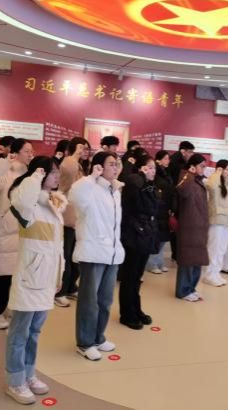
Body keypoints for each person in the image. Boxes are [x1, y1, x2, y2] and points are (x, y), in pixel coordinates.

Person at [5, 156, 66, 405]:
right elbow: (22, 203)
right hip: (30, 277)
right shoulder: (25, 200)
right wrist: (35, 177)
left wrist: (59, 274)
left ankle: (29, 374)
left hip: (47, 278)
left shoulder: (53, 202)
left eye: (57, 172)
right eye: (52, 172)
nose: (57, 176)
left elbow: (56, 246)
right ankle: (15, 381)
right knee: (19, 333)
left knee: (35, 331)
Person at [69, 151, 124, 361]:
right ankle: (85, 343)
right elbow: (74, 197)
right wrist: (90, 177)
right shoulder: (89, 187)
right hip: (93, 252)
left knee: (105, 300)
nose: (115, 167)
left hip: (111, 253)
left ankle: (98, 337)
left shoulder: (115, 190)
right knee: (89, 302)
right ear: (99, 167)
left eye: (116, 164)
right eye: (111, 164)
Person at [0, 138, 34, 329]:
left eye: (32, 151)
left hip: (22, 231)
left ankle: (6, 308)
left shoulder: (29, 174)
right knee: (0, 272)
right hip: (4, 230)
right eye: (27, 151)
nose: (30, 155)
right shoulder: (3, 168)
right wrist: (4, 162)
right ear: (16, 152)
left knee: (15, 274)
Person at [119, 155, 158, 330]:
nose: (153, 171)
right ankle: (127, 314)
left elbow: (153, 208)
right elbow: (135, 201)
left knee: (137, 277)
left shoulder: (149, 186)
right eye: (149, 167)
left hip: (145, 234)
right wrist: (141, 176)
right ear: (141, 168)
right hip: (133, 234)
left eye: (154, 168)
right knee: (130, 276)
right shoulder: (134, 182)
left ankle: (136, 308)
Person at [54, 137, 89, 307]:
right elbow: (66, 186)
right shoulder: (69, 162)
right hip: (67, 216)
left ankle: (70, 287)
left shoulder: (79, 165)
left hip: (76, 217)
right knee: (66, 256)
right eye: (81, 147)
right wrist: (75, 156)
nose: (84, 151)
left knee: (75, 255)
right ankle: (60, 291)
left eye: (86, 148)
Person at [175, 154, 209, 302]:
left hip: (199, 227)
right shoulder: (186, 177)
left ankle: (191, 288)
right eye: (202, 166)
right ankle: (183, 291)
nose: (204, 169)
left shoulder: (199, 181)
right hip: (189, 226)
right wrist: (189, 174)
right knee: (188, 260)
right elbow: (182, 191)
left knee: (197, 260)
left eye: (204, 166)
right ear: (193, 166)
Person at [204, 160, 228, 287]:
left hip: (227, 222)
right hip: (217, 221)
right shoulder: (214, 181)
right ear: (220, 169)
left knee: (222, 249)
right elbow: (211, 186)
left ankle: (216, 273)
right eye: (226, 169)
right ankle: (209, 275)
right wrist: (217, 173)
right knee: (214, 249)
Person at [147, 150, 175, 274]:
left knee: (163, 237)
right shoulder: (156, 173)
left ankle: (159, 262)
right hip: (158, 209)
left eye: (168, 158)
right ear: (158, 160)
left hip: (165, 208)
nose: (168, 161)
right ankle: (152, 263)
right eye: (165, 158)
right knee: (157, 238)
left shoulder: (166, 173)